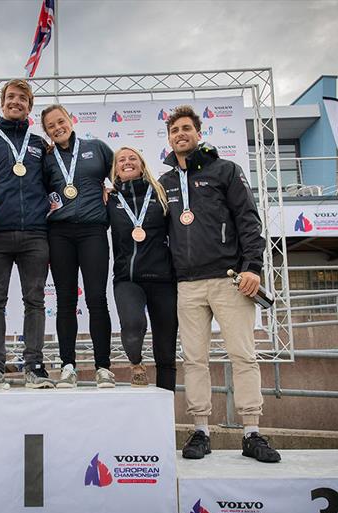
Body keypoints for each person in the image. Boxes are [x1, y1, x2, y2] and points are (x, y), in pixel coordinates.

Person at [160, 105, 280, 463]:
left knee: (243, 356)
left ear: (199, 132)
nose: (180, 134)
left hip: (230, 280)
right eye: (174, 131)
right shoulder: (164, 182)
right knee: (194, 360)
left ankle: (252, 433)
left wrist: (253, 267)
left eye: (186, 128)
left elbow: (248, 220)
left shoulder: (225, 170)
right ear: (168, 139)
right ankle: (200, 431)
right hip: (187, 284)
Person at [0, 79, 54, 390]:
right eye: (11, 97)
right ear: (2, 103)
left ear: (30, 106)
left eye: (23, 99)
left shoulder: (41, 144)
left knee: (35, 300)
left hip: (35, 234)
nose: (16, 102)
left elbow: (56, 183)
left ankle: (35, 366)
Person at [41, 104, 113, 388]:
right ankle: (68, 365)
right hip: (59, 233)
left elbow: (121, 173)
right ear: (46, 132)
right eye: (51, 126)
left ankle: (103, 366)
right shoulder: (45, 159)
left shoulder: (97, 148)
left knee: (97, 299)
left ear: (71, 119)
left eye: (61, 121)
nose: (58, 128)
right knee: (65, 301)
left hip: (93, 231)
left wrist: (111, 190)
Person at [106, 147, 177, 391]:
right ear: (115, 169)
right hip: (128, 279)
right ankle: (136, 364)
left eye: (132, 158)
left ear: (142, 164)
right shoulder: (109, 199)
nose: (127, 162)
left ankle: (167, 413)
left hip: (163, 279)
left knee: (166, 350)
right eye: (121, 160)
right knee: (134, 327)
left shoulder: (160, 194)